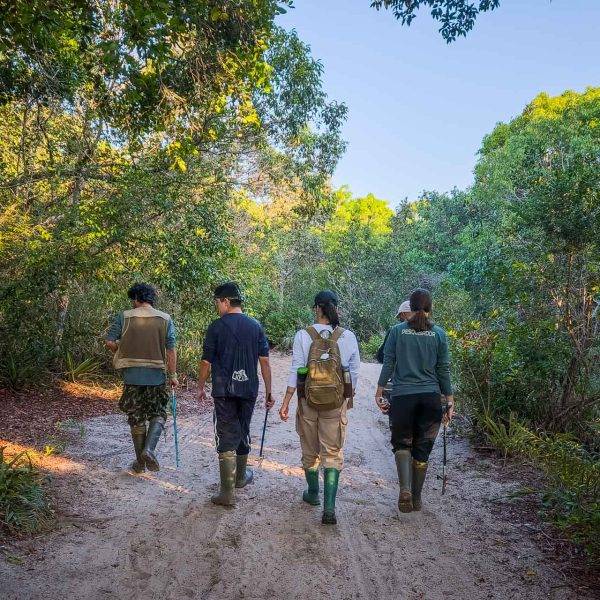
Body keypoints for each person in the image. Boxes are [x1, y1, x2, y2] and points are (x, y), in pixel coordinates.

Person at [279, 290, 360, 525]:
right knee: (332, 453)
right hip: (335, 402)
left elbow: (296, 370)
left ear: (317, 308)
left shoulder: (303, 335)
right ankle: (329, 508)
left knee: (309, 450)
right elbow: (353, 372)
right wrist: (346, 397)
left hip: (308, 401)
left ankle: (313, 493)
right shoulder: (348, 336)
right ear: (336, 308)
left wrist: (286, 401)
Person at [374, 288, 454, 513]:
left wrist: (379, 391)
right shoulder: (439, 334)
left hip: (402, 397)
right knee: (422, 448)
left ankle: (405, 489)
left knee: (402, 443)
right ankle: (417, 498)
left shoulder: (397, 331)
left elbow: (388, 363)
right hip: (430, 398)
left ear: (410, 306)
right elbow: (443, 369)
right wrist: (449, 399)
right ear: (430, 308)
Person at [198, 282, 274, 507]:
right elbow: (265, 362)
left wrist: (200, 386)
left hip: (224, 391)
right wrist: (269, 391)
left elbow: (206, 362)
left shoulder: (216, 327)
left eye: (217, 302)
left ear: (226, 301)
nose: (217, 306)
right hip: (248, 389)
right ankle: (240, 477)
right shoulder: (255, 326)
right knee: (243, 429)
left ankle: (227, 492)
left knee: (225, 433)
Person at [106, 283, 178, 473]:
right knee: (158, 412)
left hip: (132, 376)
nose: (132, 302)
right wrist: (173, 375)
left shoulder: (124, 316)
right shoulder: (165, 319)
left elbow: (110, 342)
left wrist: (121, 348)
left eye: (133, 299)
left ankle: (140, 464)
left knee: (136, 417)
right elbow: (171, 350)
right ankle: (149, 450)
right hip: (156, 376)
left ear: (137, 298)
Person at [376, 300, 413, 364]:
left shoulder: (395, 330)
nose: (399, 320)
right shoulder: (429, 332)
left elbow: (381, 357)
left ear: (403, 314)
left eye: (400, 317)